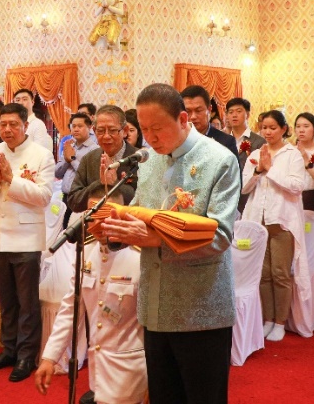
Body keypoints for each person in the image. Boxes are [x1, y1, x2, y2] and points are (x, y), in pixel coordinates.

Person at [100, 84, 239, 404]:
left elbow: (220, 236)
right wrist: (117, 230)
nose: (150, 137)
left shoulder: (219, 160)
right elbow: (140, 212)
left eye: (157, 128)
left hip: (201, 308)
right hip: (155, 303)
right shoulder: (149, 159)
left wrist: (154, 239)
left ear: (183, 119)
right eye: (143, 129)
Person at [35, 194, 146, 404]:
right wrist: (50, 357)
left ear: (122, 215)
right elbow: (70, 309)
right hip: (98, 369)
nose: (99, 222)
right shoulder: (86, 252)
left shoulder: (141, 257)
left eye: (106, 214)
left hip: (131, 369)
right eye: (93, 215)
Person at [0, 103, 55, 382]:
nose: (7, 129)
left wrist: (12, 180)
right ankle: (8, 350)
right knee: (7, 301)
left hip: (26, 240)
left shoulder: (41, 155)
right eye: (3, 124)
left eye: (13, 124)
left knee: (27, 302)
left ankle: (26, 356)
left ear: (25, 126)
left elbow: (44, 197)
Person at [241, 110, 307, 342]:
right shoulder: (256, 153)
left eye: (272, 128)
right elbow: (244, 187)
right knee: (263, 274)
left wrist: (270, 169)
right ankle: (268, 319)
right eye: (264, 128)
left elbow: (296, 186)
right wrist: (259, 170)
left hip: (282, 220)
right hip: (258, 221)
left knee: (280, 273)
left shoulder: (292, 154)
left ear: (283, 129)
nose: (267, 132)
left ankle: (280, 322)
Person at [226, 97, 265, 213]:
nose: (234, 115)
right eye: (230, 112)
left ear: (247, 114)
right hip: (227, 194)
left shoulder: (259, 141)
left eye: (239, 111)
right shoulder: (223, 139)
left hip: (250, 195)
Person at [56, 113, 98, 211]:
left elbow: (89, 176)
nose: (76, 129)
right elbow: (57, 173)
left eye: (80, 126)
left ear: (89, 127)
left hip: (82, 199)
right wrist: (67, 160)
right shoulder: (69, 146)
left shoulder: (94, 149)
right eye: (73, 126)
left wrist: (72, 159)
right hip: (65, 197)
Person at [180, 85, 238, 154]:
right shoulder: (177, 140)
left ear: (209, 110)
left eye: (198, 110)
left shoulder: (226, 141)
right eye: (188, 111)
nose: (193, 117)